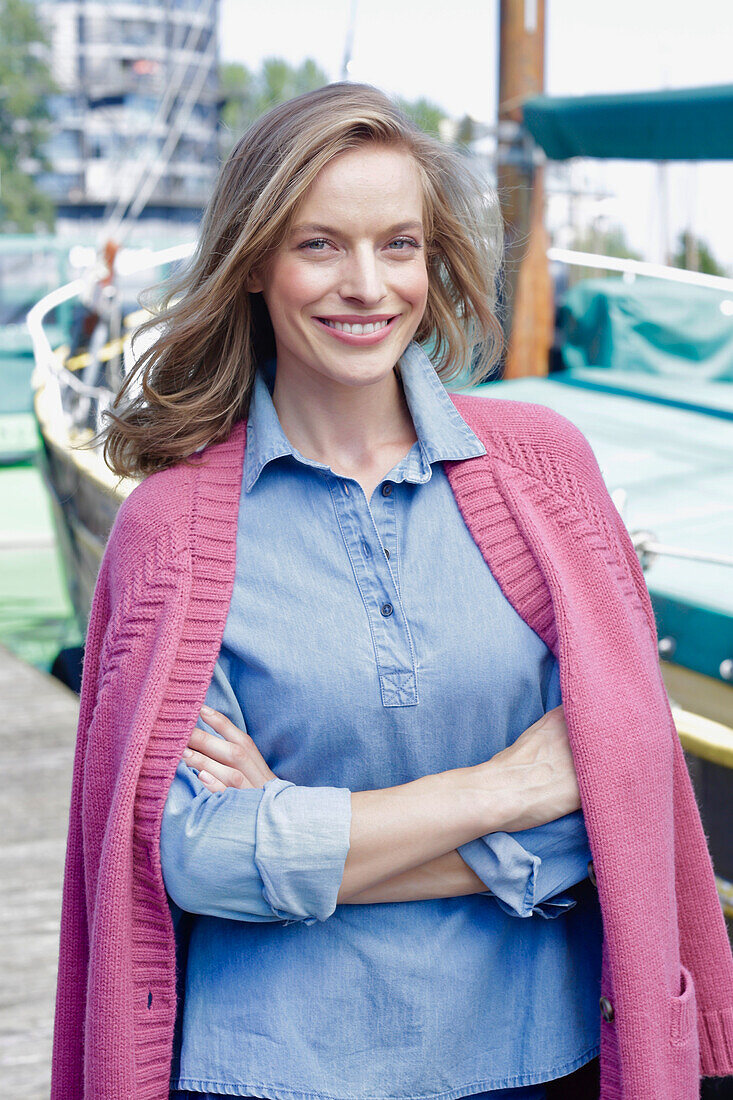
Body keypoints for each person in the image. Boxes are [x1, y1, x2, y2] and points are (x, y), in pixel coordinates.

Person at [51, 84, 733, 1100]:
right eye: (319, 244)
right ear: (253, 264)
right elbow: (196, 853)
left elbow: (612, 800)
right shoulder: (174, 525)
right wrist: (502, 787)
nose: (366, 285)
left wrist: (294, 827)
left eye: (398, 245)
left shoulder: (547, 474)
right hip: (265, 1070)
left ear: (433, 259)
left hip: (543, 1058)